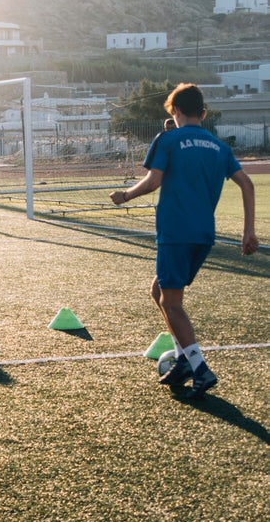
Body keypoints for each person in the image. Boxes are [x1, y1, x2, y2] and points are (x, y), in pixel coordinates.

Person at [110, 83, 259, 399]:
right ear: (203, 114)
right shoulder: (220, 147)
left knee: (170, 302)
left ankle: (200, 367)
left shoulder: (168, 139)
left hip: (176, 232)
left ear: (174, 111)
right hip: (203, 235)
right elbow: (247, 185)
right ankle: (182, 359)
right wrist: (249, 232)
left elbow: (153, 181)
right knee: (158, 290)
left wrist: (125, 195)